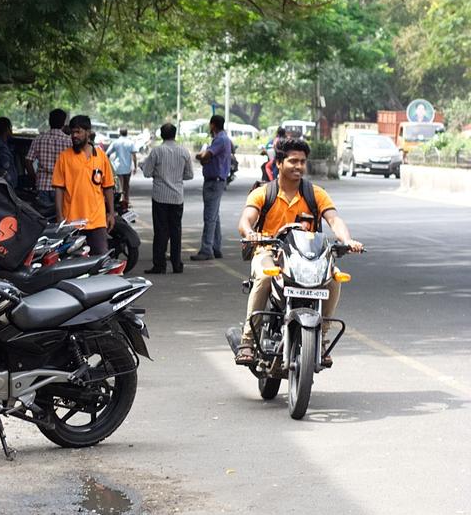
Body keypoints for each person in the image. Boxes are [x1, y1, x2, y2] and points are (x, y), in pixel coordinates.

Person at [235, 137, 363, 366]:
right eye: (293, 161)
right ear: (279, 163)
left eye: (302, 162)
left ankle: (321, 337)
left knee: (334, 279)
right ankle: (247, 340)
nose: (299, 166)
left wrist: (347, 240)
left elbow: (334, 220)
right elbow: (246, 220)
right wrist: (250, 233)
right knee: (265, 277)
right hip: (269, 252)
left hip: (307, 257)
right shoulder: (263, 193)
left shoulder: (316, 194)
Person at [52, 114, 115, 255]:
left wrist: (111, 213)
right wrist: (60, 216)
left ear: (88, 132)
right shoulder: (64, 157)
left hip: (97, 220)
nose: (74, 135)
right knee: (73, 262)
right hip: (72, 221)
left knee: (99, 257)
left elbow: (108, 187)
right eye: (73, 132)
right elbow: (59, 189)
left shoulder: (101, 156)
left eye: (78, 131)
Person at [140, 123, 194, 274]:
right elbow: (189, 175)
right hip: (177, 197)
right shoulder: (183, 151)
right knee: (176, 231)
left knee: (161, 231)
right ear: (174, 134)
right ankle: (177, 265)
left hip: (160, 196)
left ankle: (160, 264)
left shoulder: (157, 151)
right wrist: (176, 177)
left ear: (161, 135)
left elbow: (147, 172)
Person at [191, 114, 232, 260]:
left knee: (209, 216)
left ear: (213, 125)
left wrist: (201, 157)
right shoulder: (222, 139)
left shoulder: (220, 139)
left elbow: (205, 156)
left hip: (214, 181)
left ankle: (206, 249)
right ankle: (216, 247)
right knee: (214, 215)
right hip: (216, 180)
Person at [26, 108, 70, 209]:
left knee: (43, 220)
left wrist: (34, 178)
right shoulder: (69, 141)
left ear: (49, 121)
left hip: (42, 186)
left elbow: (28, 161)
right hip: (62, 187)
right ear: (63, 123)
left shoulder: (39, 139)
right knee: (60, 220)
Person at [106, 128, 138, 208]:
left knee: (119, 186)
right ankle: (126, 201)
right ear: (127, 133)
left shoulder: (115, 142)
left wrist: (108, 165)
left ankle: (119, 202)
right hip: (127, 168)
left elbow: (107, 154)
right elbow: (134, 155)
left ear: (119, 133)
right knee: (126, 186)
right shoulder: (130, 142)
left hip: (117, 167)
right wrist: (135, 166)